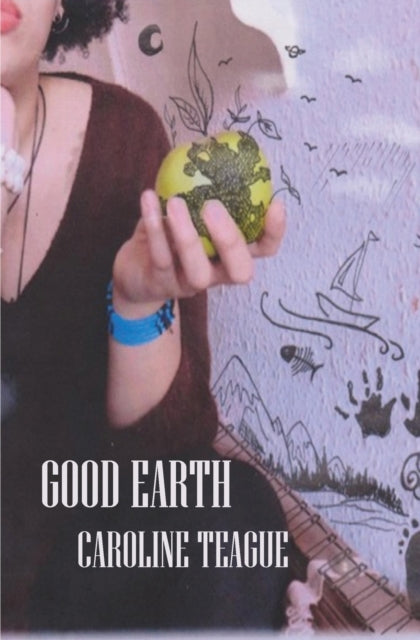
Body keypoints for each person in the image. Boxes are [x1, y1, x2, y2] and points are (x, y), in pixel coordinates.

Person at [1, 0, 291, 631]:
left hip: (74, 564)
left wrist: (139, 302)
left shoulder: (124, 135)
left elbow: (164, 460)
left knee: (231, 510)